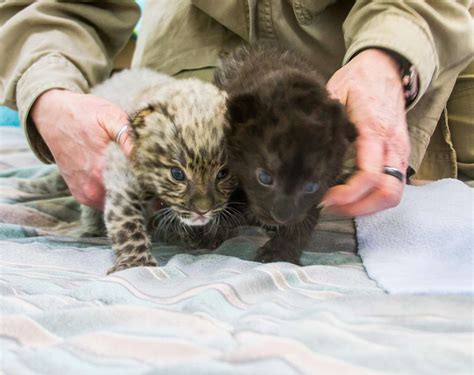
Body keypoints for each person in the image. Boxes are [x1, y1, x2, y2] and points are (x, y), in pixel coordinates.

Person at [0, 0, 472, 215]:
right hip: (192, 86)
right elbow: (53, 7)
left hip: (388, 95)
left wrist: (391, 55)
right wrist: (48, 93)